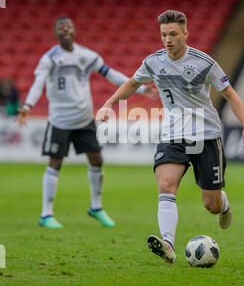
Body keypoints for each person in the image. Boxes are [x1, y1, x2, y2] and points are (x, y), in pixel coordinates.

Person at [96, 10, 244, 264]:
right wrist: (108, 104)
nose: (167, 39)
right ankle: (168, 243)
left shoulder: (204, 63)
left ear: (185, 34)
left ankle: (223, 203)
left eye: (173, 34)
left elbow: (230, 94)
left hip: (206, 135)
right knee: (165, 186)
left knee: (210, 204)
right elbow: (132, 84)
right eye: (163, 35)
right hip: (172, 134)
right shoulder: (153, 62)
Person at [16, 17, 157, 229]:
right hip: (60, 120)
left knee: (97, 160)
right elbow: (38, 83)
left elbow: (111, 74)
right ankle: (46, 214)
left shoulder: (87, 55)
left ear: (74, 31)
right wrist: (27, 106)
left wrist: (139, 88)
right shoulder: (49, 59)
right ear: (56, 34)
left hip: (84, 119)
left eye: (68, 26)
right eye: (61, 27)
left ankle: (96, 207)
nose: (65, 29)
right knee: (55, 163)